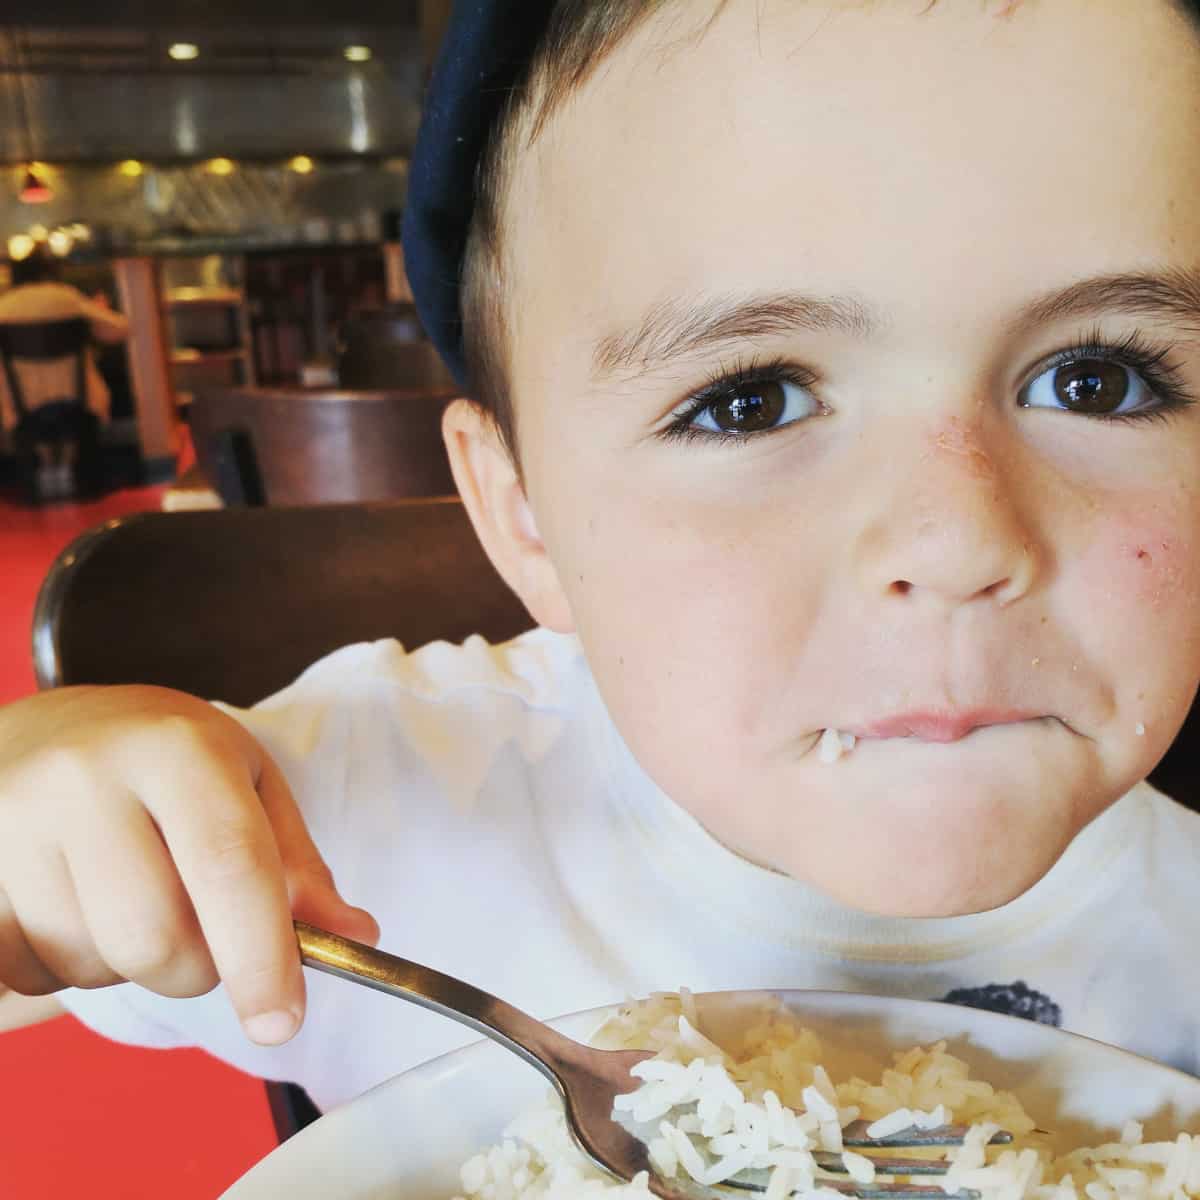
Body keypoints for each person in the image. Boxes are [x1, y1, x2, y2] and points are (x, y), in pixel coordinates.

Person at [2, 0, 1200, 1124]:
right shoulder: (379, 815)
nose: (959, 540)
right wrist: (38, 813)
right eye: (750, 403)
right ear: (522, 513)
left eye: (1099, 381)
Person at [0, 246, 130, 498]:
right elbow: (119, 330)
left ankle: (47, 468)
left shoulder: (5, 306)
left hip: (18, 407)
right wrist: (98, 310)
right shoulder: (67, 297)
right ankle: (69, 467)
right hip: (79, 400)